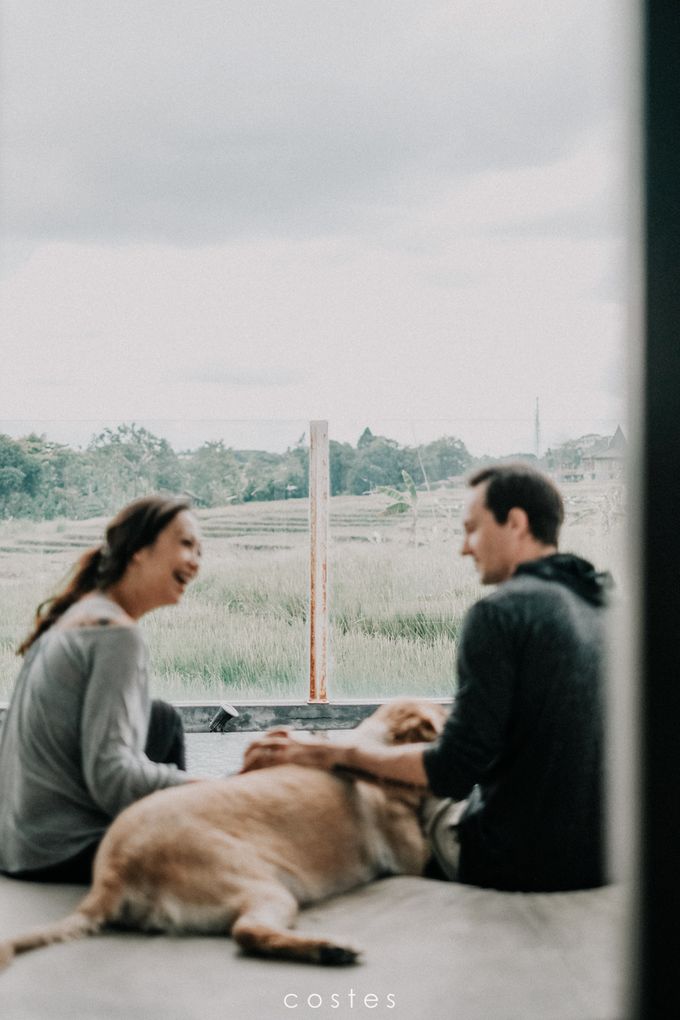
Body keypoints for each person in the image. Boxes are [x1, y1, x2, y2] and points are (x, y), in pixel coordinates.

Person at [243, 464, 611, 892]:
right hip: (609, 858)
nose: (464, 548)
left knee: (405, 796)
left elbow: (452, 770)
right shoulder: (608, 605)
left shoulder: (500, 613)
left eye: (472, 529)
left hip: (519, 862)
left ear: (516, 522)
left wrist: (328, 754)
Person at [0, 495, 203, 884]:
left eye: (199, 550)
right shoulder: (117, 636)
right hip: (60, 851)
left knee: (162, 718)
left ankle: (173, 827)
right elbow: (111, 778)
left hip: (15, 843)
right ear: (140, 551)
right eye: (185, 543)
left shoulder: (81, 612)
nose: (196, 560)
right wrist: (213, 789)